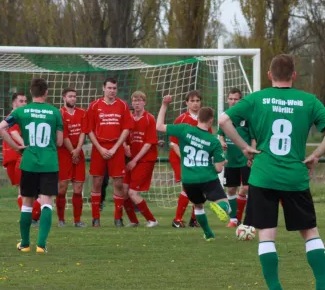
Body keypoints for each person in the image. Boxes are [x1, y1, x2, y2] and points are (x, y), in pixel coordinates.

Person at [220, 54, 325, 290]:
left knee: (267, 235)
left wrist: (244, 147)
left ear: (269, 75)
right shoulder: (308, 101)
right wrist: (316, 155)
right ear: (294, 75)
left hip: (263, 176)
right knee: (310, 233)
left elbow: (223, 120)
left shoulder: (257, 98)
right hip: (295, 177)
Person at [0, 78, 63, 253]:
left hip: (29, 162)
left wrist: (16, 147)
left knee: (27, 202)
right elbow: (60, 141)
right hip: (49, 162)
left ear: (31, 93)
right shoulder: (55, 112)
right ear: (46, 92)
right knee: (47, 202)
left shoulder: (22, 111)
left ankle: (25, 244)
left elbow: (0, 129)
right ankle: (41, 245)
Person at [157, 96, 230, 241]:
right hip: (207, 177)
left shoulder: (185, 129)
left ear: (198, 119)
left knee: (198, 206)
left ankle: (208, 233)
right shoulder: (213, 141)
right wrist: (223, 162)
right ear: (210, 121)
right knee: (227, 206)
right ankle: (220, 206)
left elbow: (158, 126)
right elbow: (218, 169)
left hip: (189, 180)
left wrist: (165, 105)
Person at [85, 77, 133, 227]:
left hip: (116, 148)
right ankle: (95, 218)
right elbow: (89, 130)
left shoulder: (123, 106)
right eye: (110, 88)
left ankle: (118, 218)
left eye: (114, 88)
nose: (112, 91)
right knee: (97, 182)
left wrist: (114, 148)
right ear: (103, 88)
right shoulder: (94, 106)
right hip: (99, 148)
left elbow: (126, 129)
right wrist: (100, 148)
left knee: (118, 183)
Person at [169, 90, 212, 228]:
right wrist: (185, 158)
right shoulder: (180, 120)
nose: (195, 104)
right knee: (188, 187)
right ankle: (177, 220)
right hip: (180, 159)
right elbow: (173, 142)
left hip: (198, 160)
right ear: (186, 103)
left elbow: (208, 141)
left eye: (197, 101)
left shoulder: (205, 121)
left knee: (200, 188)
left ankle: (194, 220)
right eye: (192, 101)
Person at [2, 92, 42, 224]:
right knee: (28, 189)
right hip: (17, 156)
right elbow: (13, 132)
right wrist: (25, 145)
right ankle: (33, 216)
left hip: (15, 156)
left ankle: (31, 217)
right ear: (14, 103)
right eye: (21, 101)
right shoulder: (14, 116)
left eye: (25, 101)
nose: (24, 103)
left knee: (24, 188)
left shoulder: (22, 116)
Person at [122, 91, 159, 227]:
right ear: (132, 103)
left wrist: (134, 160)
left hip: (144, 160)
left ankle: (152, 220)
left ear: (144, 102)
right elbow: (125, 139)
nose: (137, 103)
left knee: (132, 192)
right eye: (135, 100)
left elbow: (148, 143)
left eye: (140, 100)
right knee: (124, 192)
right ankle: (133, 221)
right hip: (132, 160)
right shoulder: (130, 119)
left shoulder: (150, 118)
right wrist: (125, 146)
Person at [218, 88, 251, 227]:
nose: (233, 101)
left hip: (244, 158)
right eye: (230, 99)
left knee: (247, 188)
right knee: (231, 189)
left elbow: (253, 137)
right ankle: (234, 219)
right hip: (230, 160)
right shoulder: (225, 117)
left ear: (240, 100)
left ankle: (242, 218)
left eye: (235, 99)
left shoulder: (247, 117)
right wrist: (222, 142)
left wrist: (252, 154)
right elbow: (220, 135)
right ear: (227, 100)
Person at [56, 88, 87, 227]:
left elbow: (83, 132)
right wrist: (72, 151)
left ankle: (77, 220)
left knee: (78, 188)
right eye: (70, 96)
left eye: (74, 96)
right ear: (64, 98)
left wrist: (78, 149)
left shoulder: (82, 113)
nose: (73, 99)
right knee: (62, 187)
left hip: (78, 153)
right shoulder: (59, 114)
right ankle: (61, 219)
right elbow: (64, 135)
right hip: (64, 154)